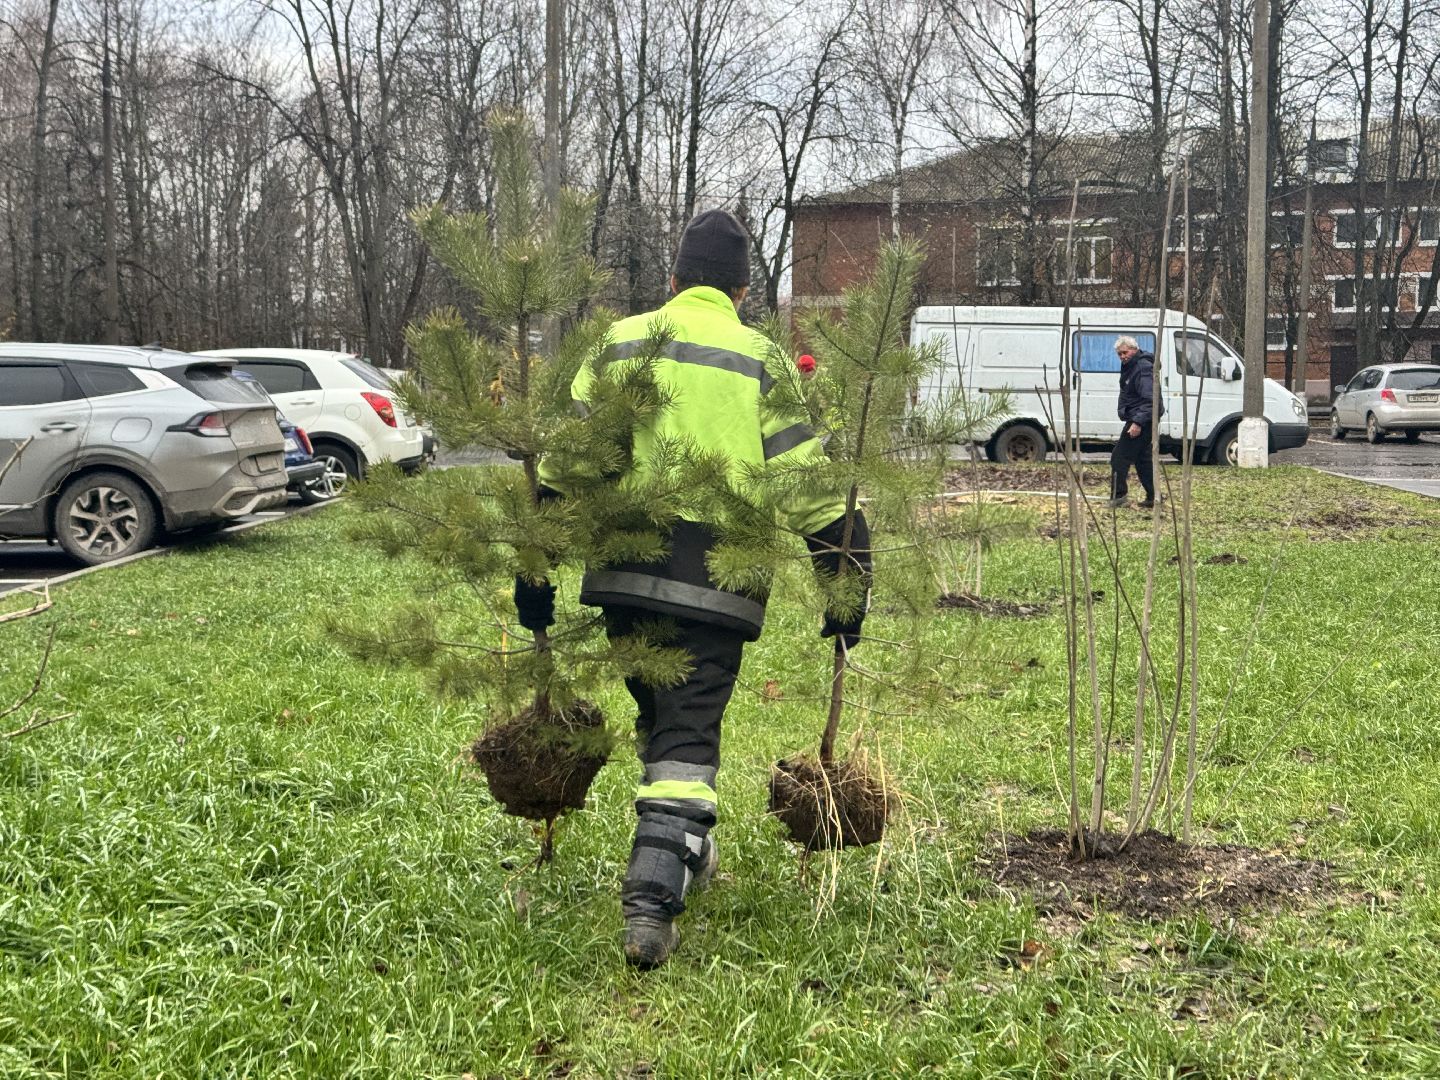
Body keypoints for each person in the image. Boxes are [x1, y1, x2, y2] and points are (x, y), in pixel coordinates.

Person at [513, 209, 871, 969]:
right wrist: (845, 580)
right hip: (719, 580)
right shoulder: (760, 359)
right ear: (742, 292)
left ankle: (688, 848)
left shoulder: (620, 344)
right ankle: (650, 902)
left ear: (673, 280)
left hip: (623, 572)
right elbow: (807, 485)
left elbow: (566, 467)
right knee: (687, 734)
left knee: (660, 713)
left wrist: (534, 567)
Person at [1108, 335, 1162, 509]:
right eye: (1119, 354)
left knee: (1119, 457)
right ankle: (1154, 497)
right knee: (1142, 459)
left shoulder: (1142, 367)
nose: (1122, 357)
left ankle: (1119, 496)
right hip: (1141, 417)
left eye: (1125, 352)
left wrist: (1137, 423)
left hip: (1142, 419)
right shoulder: (1132, 366)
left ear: (1134, 349)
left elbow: (1150, 399)